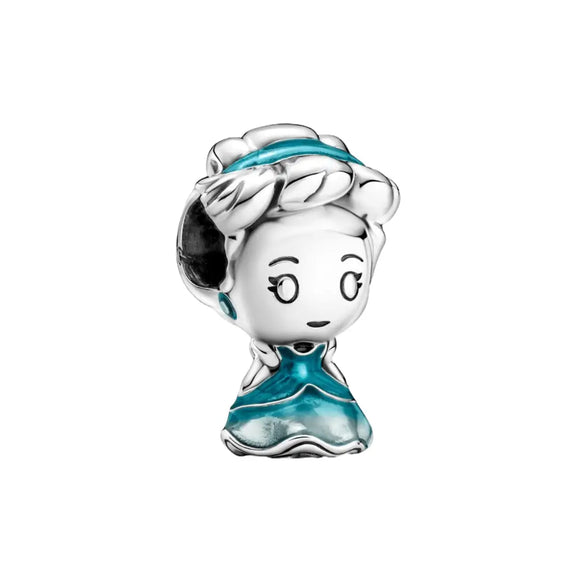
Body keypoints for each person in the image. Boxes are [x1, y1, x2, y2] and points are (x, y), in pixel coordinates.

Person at [177, 124, 399, 457]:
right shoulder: (266, 351)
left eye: (350, 282)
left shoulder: (324, 353)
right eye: (284, 286)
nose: (320, 309)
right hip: (269, 406)